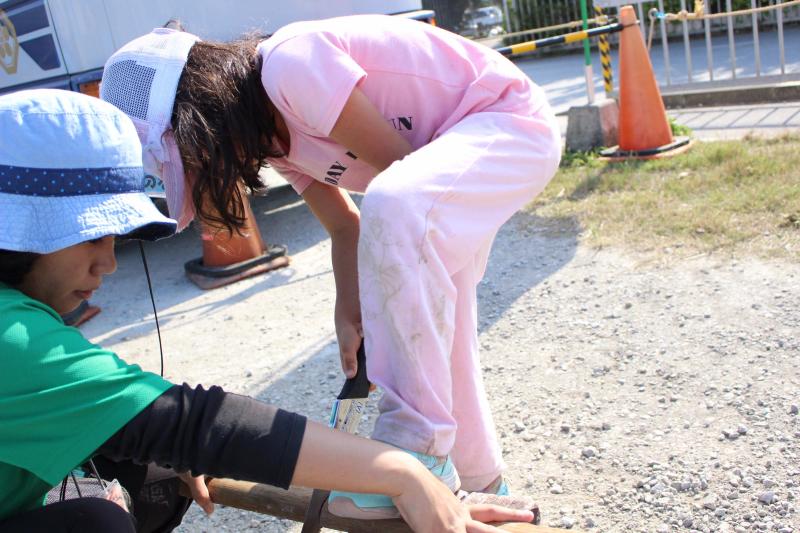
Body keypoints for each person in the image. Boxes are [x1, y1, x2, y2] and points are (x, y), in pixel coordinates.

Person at [0, 89, 536, 533]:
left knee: (151, 467)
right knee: (97, 523)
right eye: (93, 237)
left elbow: (159, 428)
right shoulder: (12, 337)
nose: (109, 265)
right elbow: (195, 423)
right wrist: (405, 474)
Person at [100, 14, 561, 518]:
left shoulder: (288, 67)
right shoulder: (277, 143)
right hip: (445, 172)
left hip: (507, 123)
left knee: (399, 224)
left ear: (203, 112)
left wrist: (388, 307)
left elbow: (400, 174)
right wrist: (350, 309)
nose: (208, 175)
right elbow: (346, 226)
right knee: (436, 339)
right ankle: (482, 482)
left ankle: (418, 450)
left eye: (195, 159)